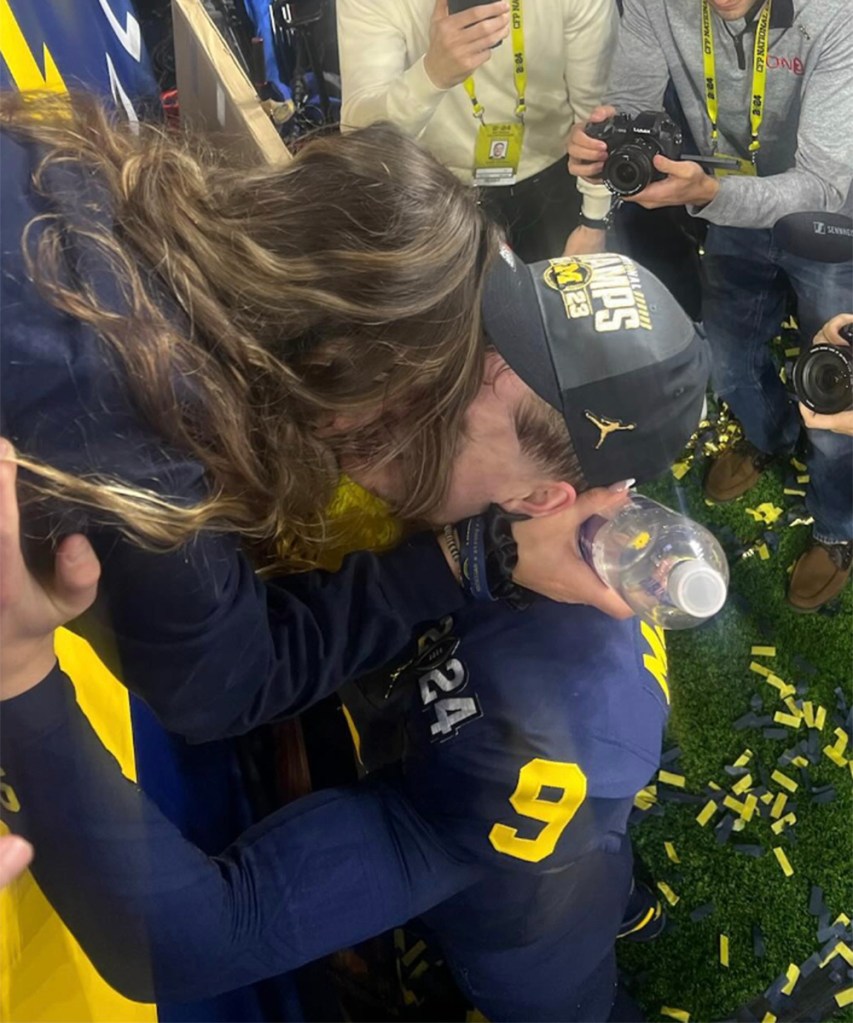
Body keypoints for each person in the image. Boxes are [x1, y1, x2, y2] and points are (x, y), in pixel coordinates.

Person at [0, 253, 709, 1021]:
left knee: (550, 981)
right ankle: (622, 893)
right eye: (455, 333)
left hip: (519, 903)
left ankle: (607, 934)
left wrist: (18, 672)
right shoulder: (543, 508)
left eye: (441, 402)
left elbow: (202, 937)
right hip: (487, 781)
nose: (387, 386)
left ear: (542, 495)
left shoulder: (548, 729)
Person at [0, 92, 630, 747]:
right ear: (346, 354)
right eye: (426, 388)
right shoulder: (147, 408)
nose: (419, 416)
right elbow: (222, 687)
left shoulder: (91, 179)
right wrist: (461, 558)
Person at [567, 0, 853, 611]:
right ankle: (767, 438)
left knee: (835, 392)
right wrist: (606, 142)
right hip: (725, 208)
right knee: (728, 357)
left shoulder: (834, 13)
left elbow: (825, 184)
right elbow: (632, 107)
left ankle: (837, 527)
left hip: (831, 225)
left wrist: (710, 194)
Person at [337, 0, 618, 262]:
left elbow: (595, 118)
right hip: (434, 189)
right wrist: (431, 75)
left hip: (556, 177)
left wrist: (594, 222)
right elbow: (359, 136)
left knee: (563, 308)